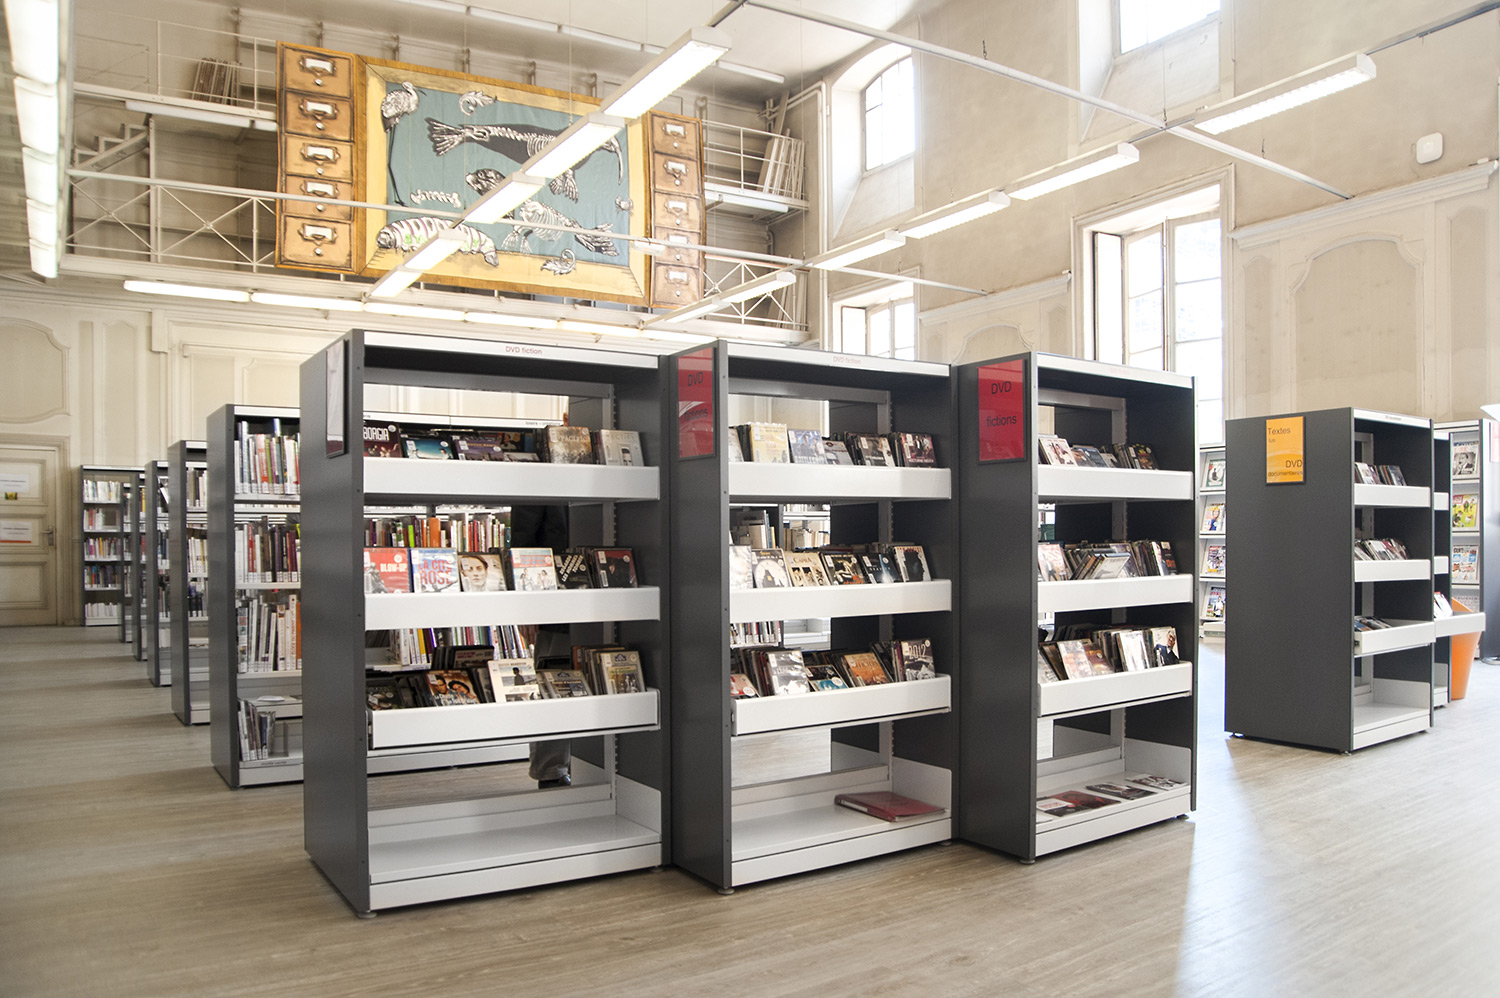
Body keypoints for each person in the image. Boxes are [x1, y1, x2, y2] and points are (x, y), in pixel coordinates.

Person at [511, 503, 573, 789]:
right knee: (553, 681)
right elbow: (523, 542)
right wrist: (528, 606)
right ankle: (551, 771)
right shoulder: (537, 481)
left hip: (603, 595)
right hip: (552, 600)